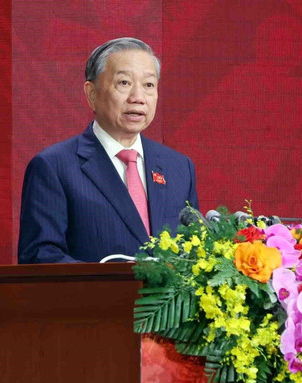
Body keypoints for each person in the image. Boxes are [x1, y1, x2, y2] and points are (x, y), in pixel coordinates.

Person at [17, 37, 199, 263]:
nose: (138, 98)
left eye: (149, 85)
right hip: (92, 298)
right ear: (91, 94)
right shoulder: (53, 167)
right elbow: (40, 257)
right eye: (124, 83)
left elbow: (195, 254)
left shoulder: (179, 168)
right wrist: (111, 286)